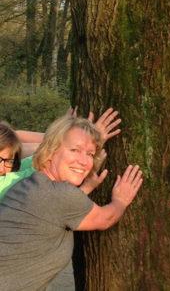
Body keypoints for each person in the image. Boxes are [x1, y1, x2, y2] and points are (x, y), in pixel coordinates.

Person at [0, 115, 143, 290]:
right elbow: (106, 218)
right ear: (51, 151)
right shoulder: (59, 196)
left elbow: (53, 212)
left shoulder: (29, 184)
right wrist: (120, 201)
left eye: (90, 154)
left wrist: (86, 187)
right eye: (75, 150)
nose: (84, 161)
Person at [0, 107, 121, 202]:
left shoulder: (11, 171)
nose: (2, 168)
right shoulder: (9, 185)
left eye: (7, 161)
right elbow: (54, 206)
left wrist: (65, 135)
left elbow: (18, 137)